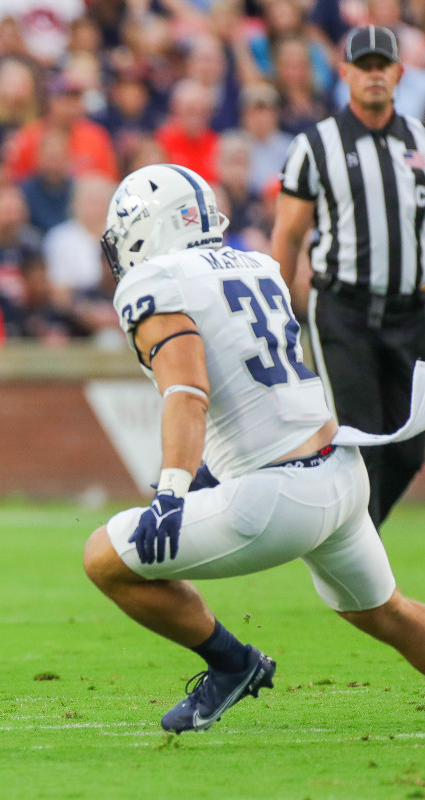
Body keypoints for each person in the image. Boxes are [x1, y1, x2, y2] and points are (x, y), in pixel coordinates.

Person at [83, 163, 425, 735]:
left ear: (148, 230)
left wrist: (172, 491)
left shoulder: (154, 281)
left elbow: (188, 390)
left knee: (104, 558)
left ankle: (232, 663)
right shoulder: (256, 263)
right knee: (386, 612)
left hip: (278, 498)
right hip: (340, 473)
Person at [271, 25, 425, 530]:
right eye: (364, 66)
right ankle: (364, 562)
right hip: (344, 309)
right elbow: (289, 235)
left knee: (413, 437)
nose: (374, 75)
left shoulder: (421, 140)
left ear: (399, 73)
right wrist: (278, 312)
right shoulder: (316, 144)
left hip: (411, 310)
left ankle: (350, 540)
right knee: (362, 438)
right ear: (345, 73)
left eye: (383, 66)